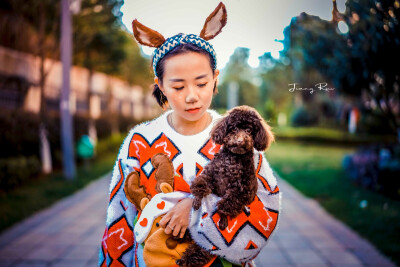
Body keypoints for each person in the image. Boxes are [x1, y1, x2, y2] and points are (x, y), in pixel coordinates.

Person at [99, 2, 280, 267]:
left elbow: (267, 204)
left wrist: (197, 214)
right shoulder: (139, 141)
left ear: (215, 77)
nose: (192, 96)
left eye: (202, 83)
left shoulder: (237, 137)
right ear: (160, 84)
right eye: (178, 86)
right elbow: (120, 218)